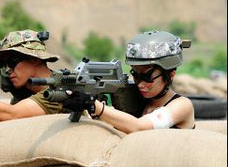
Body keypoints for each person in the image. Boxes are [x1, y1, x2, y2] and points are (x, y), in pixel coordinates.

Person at [65, 31, 195, 133]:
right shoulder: (138, 100)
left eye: (147, 76)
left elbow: (139, 128)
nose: (140, 84)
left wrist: (95, 106)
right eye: (135, 75)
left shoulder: (182, 105)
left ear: (171, 75)